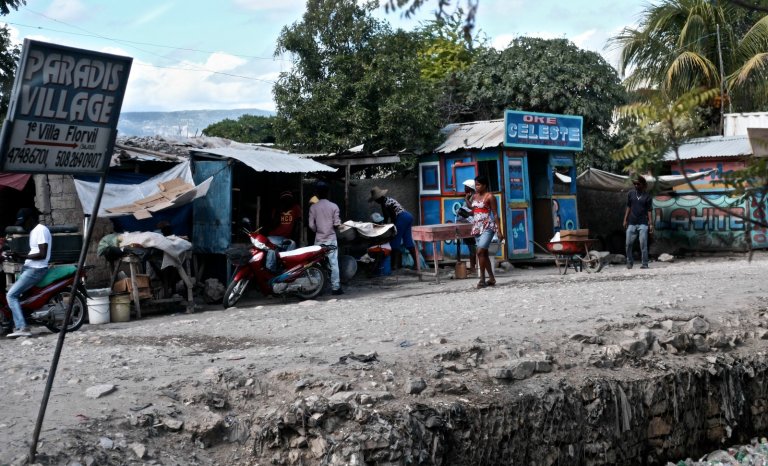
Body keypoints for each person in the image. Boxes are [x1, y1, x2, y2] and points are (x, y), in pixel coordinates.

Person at [5, 208, 52, 338]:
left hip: (36, 269)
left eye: (24, 223)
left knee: (11, 295)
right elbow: (34, 252)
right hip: (30, 268)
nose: (23, 226)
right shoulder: (34, 232)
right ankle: (20, 322)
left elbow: (42, 254)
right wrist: (18, 256)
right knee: (16, 295)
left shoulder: (41, 230)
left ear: (31, 219)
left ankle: (22, 327)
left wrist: (22, 257)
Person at [369, 186, 417, 271]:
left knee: (395, 241)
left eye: (375, 200)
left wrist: (392, 227)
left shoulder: (386, 203)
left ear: (378, 198)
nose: (376, 201)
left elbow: (393, 216)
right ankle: (417, 264)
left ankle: (395, 266)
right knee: (408, 241)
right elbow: (386, 217)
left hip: (401, 218)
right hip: (408, 216)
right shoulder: (387, 200)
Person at [308, 182, 343, 295]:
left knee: (317, 263)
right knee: (333, 263)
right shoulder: (334, 206)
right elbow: (337, 223)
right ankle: (336, 288)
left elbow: (311, 225)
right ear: (328, 193)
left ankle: (318, 287)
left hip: (319, 239)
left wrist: (317, 230)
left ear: (317, 193)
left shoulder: (313, 207)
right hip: (331, 239)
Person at [470, 176, 503, 288]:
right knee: (484, 254)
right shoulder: (474, 196)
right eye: (476, 184)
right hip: (477, 227)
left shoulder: (490, 197)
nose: (476, 187)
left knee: (479, 252)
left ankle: (482, 279)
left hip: (488, 226)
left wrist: (499, 230)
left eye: (478, 184)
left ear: (484, 185)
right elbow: (474, 211)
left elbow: (495, 214)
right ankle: (492, 278)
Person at [623, 175, 653, 269]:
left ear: (643, 184)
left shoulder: (647, 196)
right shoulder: (631, 194)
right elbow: (628, 207)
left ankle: (644, 264)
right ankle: (629, 262)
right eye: (634, 184)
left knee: (643, 244)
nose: (636, 185)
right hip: (632, 222)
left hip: (643, 223)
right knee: (628, 244)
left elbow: (649, 211)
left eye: (638, 184)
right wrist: (625, 219)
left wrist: (650, 224)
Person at [459, 179, 477, 274]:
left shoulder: (473, 197)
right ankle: (473, 267)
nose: (464, 188)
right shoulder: (471, 196)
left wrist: (465, 212)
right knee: (471, 246)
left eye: (466, 187)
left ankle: (474, 267)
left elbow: (473, 210)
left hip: (473, 224)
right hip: (468, 224)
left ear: (470, 187)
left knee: (472, 246)